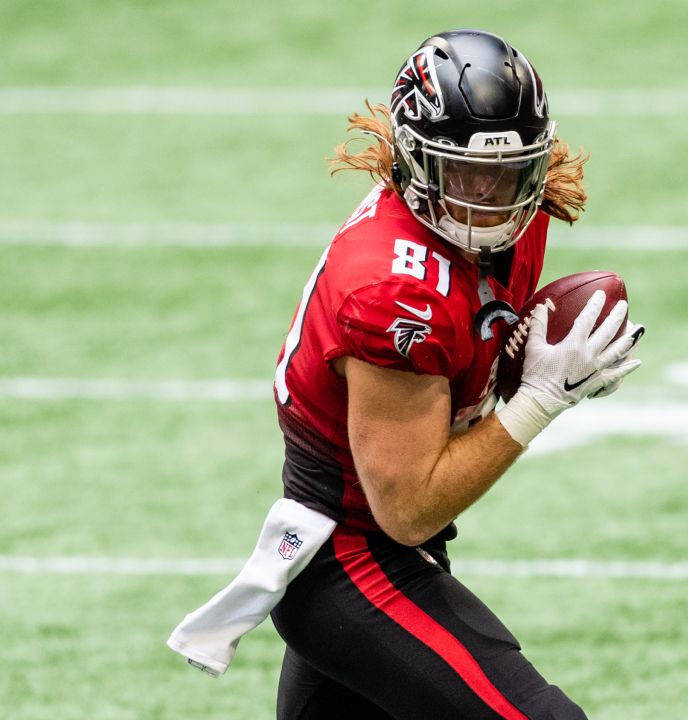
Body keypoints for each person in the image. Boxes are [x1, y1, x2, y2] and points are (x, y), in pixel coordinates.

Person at [268, 29, 643, 719]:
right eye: (465, 173)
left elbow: (466, 351)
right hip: (350, 562)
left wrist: (527, 356)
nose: (489, 198)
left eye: (508, 174)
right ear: (414, 162)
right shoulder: (392, 288)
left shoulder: (525, 207)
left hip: (386, 555)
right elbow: (408, 510)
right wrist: (539, 397)